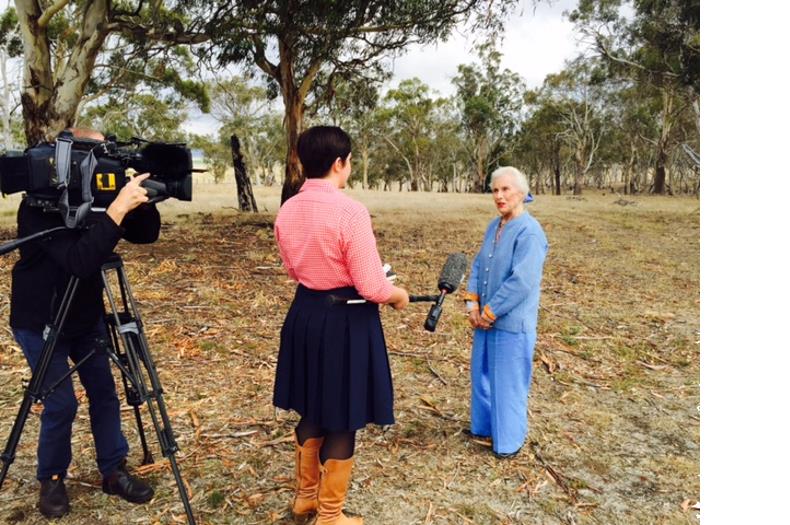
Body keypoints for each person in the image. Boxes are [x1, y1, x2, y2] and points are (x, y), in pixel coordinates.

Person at [9, 128, 159, 518]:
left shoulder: (98, 200)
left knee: (104, 392)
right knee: (61, 403)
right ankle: (52, 479)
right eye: (92, 154)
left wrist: (138, 201)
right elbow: (79, 260)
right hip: (40, 318)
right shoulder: (38, 206)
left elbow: (147, 235)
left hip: (84, 314)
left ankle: (113, 470)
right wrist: (114, 212)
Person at [273, 125, 409, 525]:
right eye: (348, 162)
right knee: (343, 414)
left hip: (305, 314)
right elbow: (371, 285)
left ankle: (305, 500)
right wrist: (397, 294)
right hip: (346, 320)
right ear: (339, 163)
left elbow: (290, 267)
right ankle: (331, 516)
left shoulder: (288, 208)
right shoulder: (350, 211)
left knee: (313, 406)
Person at [463, 166, 548, 458]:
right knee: (482, 373)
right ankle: (484, 427)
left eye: (505, 190)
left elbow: (522, 281)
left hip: (511, 323)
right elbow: (478, 265)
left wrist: (490, 311)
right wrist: (472, 305)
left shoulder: (530, 232)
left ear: (522, 193)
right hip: (484, 320)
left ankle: (508, 441)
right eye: (495, 190)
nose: (499, 196)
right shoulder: (494, 226)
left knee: (509, 382)